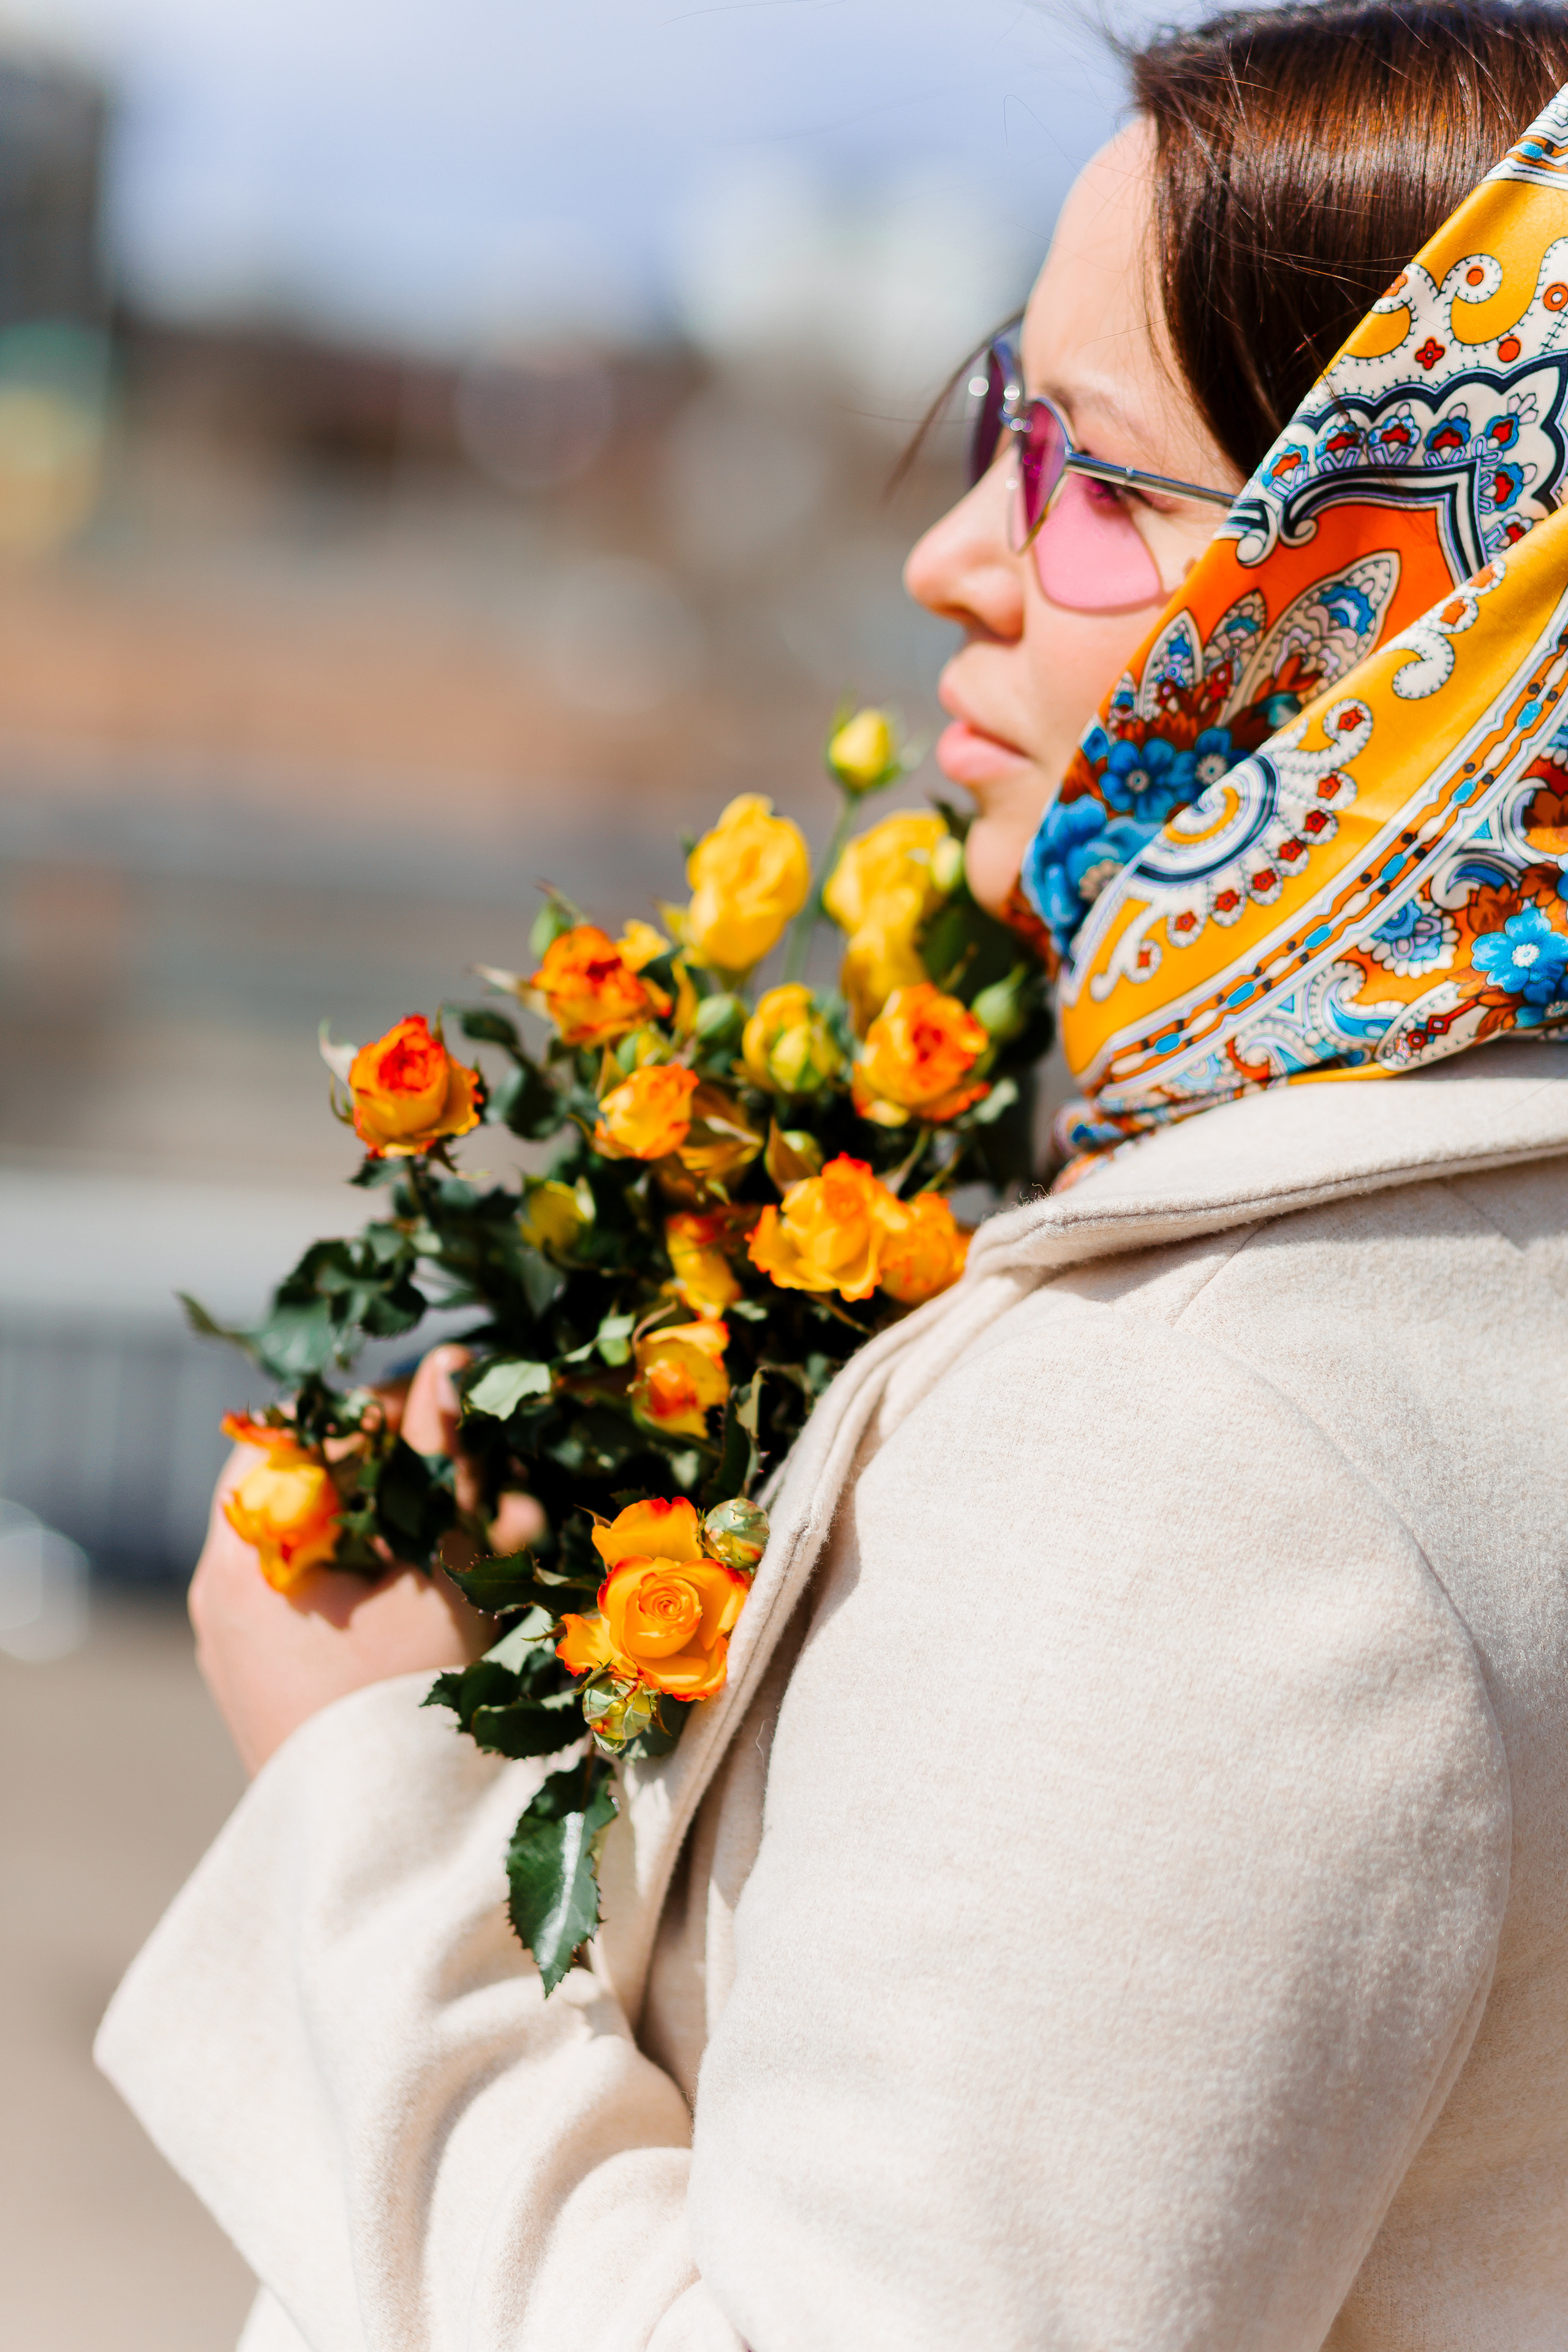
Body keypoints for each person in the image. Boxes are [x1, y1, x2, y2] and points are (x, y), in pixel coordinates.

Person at [99, 6, 1568, 2345]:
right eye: (1001, 420)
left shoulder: (1216, 1449)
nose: (951, 553)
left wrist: (374, 1794)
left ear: (1395, 595)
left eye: (1089, 470)